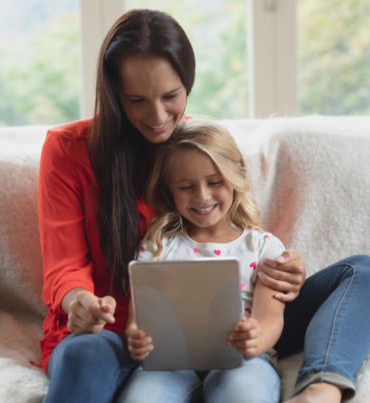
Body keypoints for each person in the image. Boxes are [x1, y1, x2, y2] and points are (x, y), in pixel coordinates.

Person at [37, 8, 370, 403]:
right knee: (83, 353)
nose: (157, 117)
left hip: (239, 326)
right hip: (129, 334)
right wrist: (78, 302)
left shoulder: (191, 143)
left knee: (365, 272)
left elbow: (240, 235)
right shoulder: (69, 150)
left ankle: (322, 387)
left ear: (188, 83)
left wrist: (288, 272)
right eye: (136, 100)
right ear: (114, 94)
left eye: (171, 96)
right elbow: (64, 266)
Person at [121, 118, 285, 402]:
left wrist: (256, 337)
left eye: (214, 182)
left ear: (236, 175)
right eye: (186, 187)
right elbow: (138, 321)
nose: (202, 196)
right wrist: (136, 338)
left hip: (243, 361)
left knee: (244, 393)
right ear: (169, 189)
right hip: (170, 365)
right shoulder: (158, 246)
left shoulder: (263, 248)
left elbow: (270, 315)